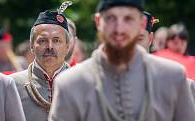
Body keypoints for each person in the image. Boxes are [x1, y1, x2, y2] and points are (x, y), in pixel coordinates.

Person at [48, 0, 195, 121]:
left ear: (142, 23)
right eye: (111, 18)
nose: (119, 29)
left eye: (128, 19)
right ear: (98, 21)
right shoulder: (70, 84)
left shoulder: (173, 78)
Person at [10, 2, 72, 121]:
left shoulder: (82, 83)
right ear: (32, 46)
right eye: (42, 41)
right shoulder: (12, 85)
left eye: (56, 40)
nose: (50, 46)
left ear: (67, 46)